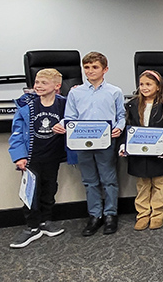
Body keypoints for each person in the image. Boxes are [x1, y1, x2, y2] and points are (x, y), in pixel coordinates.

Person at [53, 52, 125, 237]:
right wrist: (61, 125)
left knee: (108, 179)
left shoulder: (114, 91)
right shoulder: (75, 92)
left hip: (106, 141)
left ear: (105, 69)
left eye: (95, 67)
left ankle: (110, 214)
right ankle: (95, 215)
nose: (90, 71)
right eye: (87, 67)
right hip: (82, 143)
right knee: (89, 181)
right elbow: (70, 117)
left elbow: (121, 116)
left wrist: (119, 128)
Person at [8, 69, 75, 248]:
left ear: (57, 86)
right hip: (32, 158)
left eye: (43, 83)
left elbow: (75, 121)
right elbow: (16, 133)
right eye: (37, 82)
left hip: (52, 157)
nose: (38, 86)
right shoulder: (27, 106)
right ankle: (32, 227)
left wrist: (67, 127)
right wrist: (19, 156)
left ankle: (46, 220)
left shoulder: (64, 105)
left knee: (49, 188)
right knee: (31, 193)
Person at [120, 70, 163, 231]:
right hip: (139, 153)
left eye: (149, 84)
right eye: (142, 84)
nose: (144, 88)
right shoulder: (132, 104)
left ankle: (158, 214)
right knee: (142, 185)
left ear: (158, 87)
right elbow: (127, 127)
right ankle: (143, 214)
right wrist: (124, 145)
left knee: (160, 185)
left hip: (159, 152)